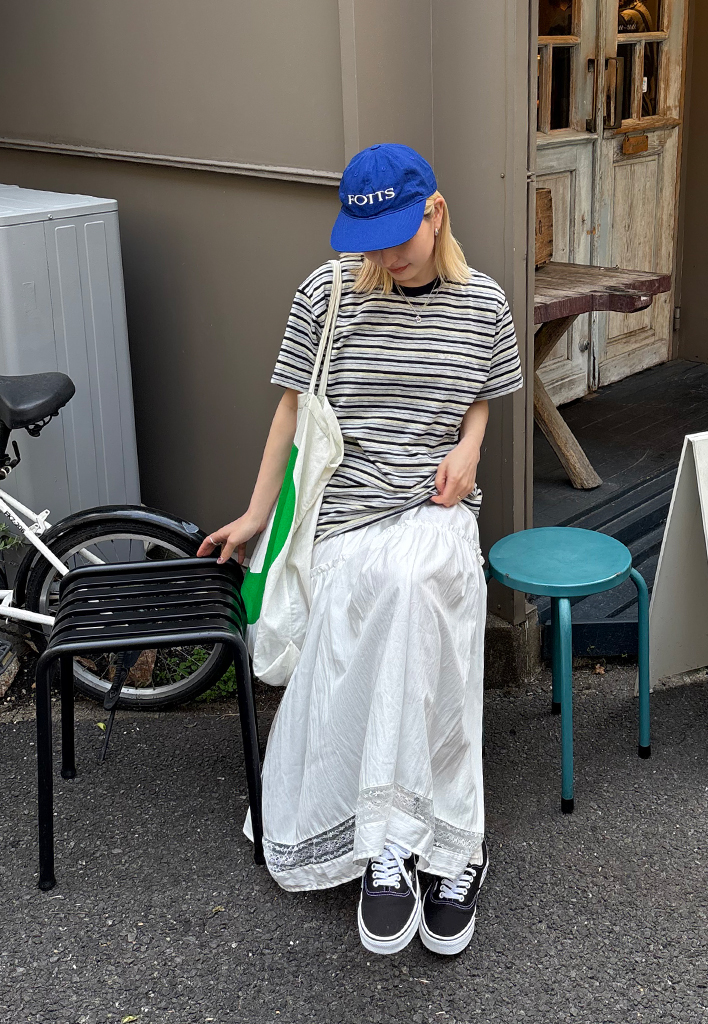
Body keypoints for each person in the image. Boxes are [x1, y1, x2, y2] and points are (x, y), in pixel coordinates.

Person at [199, 143, 523, 956]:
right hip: (346, 518)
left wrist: (471, 447)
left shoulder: (486, 303)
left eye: (396, 238)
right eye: (366, 239)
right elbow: (290, 413)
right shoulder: (328, 292)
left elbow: (482, 396)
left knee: (417, 587)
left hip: (437, 508)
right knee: (404, 597)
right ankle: (426, 843)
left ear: (436, 212)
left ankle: (411, 843)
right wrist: (256, 516)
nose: (382, 256)